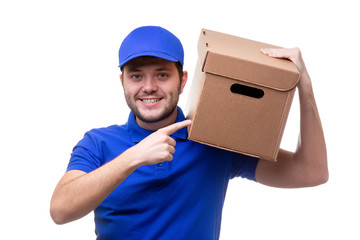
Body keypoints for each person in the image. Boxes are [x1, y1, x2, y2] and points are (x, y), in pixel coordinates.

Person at [50, 26, 328, 239]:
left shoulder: (215, 139)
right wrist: (133, 157)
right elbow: (60, 211)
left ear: (182, 81)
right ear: (122, 82)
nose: (149, 87)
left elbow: (311, 172)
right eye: (136, 76)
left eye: (162, 75)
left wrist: (303, 86)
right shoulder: (97, 143)